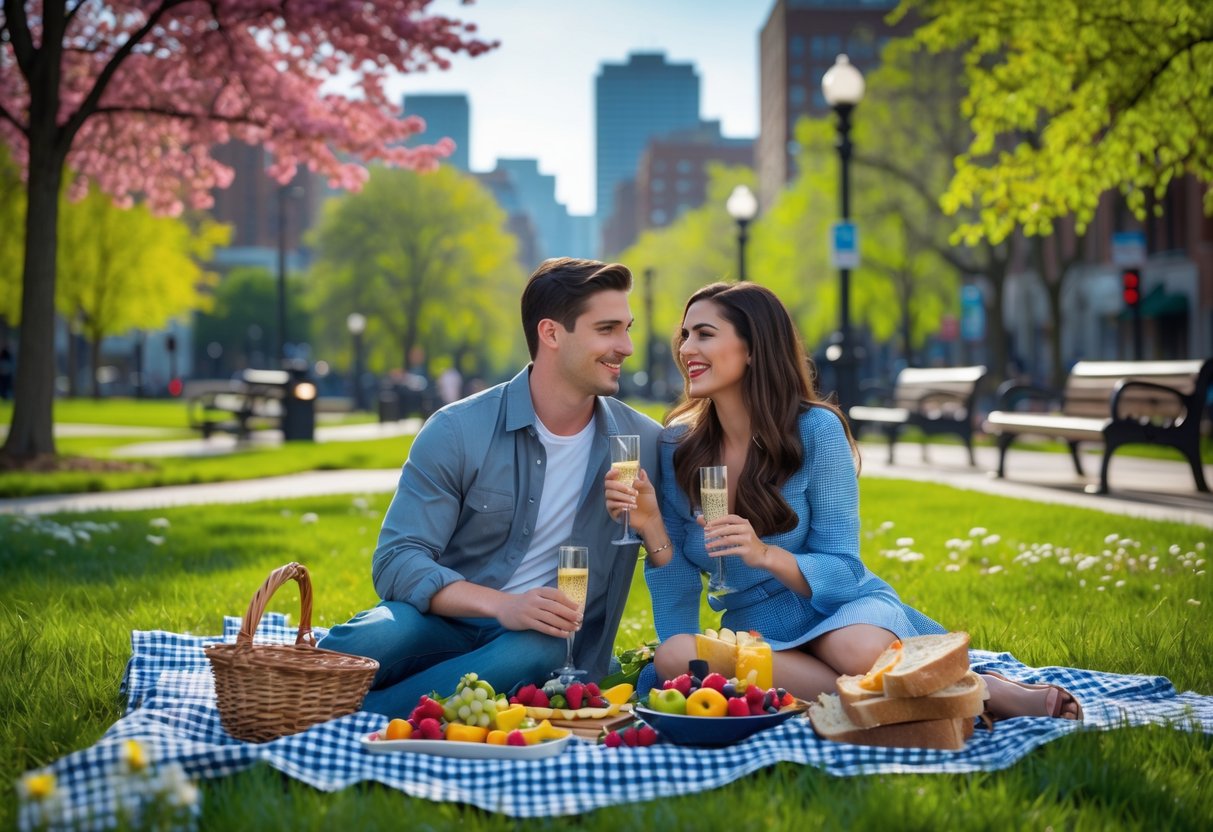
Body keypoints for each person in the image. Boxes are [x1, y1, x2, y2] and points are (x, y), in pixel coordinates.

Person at [606, 282, 1081, 720]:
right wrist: (652, 530)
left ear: (753, 349)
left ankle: (983, 690)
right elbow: (679, 588)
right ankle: (931, 694)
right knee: (674, 658)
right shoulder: (678, 446)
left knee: (856, 651)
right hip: (756, 630)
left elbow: (843, 564)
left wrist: (766, 554)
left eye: (704, 334)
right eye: (685, 335)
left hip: (839, 610)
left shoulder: (815, 430)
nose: (686, 348)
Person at [320, 258, 662, 717]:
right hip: (443, 619)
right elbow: (397, 560)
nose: (626, 346)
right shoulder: (459, 430)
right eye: (607, 329)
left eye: (627, 328)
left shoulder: (643, 445)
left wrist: (654, 527)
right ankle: (307, 688)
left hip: (539, 644)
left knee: (541, 650)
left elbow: (688, 553)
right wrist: (503, 605)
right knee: (376, 635)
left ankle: (345, 714)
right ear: (552, 333)